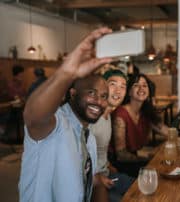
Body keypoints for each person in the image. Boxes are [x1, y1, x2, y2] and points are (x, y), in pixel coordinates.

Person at [19, 27, 113, 202]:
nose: (98, 102)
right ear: (72, 93)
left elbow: (88, 183)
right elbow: (33, 117)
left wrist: (98, 182)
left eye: (104, 96)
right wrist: (66, 73)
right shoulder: (56, 124)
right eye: (91, 93)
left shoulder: (89, 139)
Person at [111, 73, 168, 177]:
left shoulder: (145, 112)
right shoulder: (120, 114)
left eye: (145, 85)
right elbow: (121, 155)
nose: (141, 88)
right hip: (118, 166)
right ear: (129, 92)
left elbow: (168, 132)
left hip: (135, 161)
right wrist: (148, 157)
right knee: (160, 173)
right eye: (136, 85)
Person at [90, 69, 134, 202]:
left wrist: (108, 165)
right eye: (113, 84)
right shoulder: (92, 117)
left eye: (123, 87)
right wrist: (96, 178)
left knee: (141, 186)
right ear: (102, 87)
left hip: (107, 174)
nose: (118, 91)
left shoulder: (108, 115)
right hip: (92, 183)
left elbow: (100, 151)